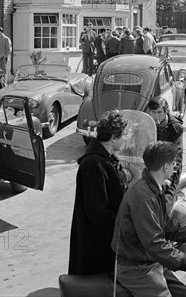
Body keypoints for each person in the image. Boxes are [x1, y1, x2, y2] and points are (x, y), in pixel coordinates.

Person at [111, 141, 186, 296]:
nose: (174, 168)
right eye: (173, 164)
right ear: (165, 167)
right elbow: (154, 242)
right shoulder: (143, 196)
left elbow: (165, 225)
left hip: (151, 262)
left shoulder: (155, 188)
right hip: (137, 269)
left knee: (184, 294)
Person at [68, 110, 129, 275]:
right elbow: (97, 211)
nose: (126, 139)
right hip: (97, 243)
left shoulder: (107, 157)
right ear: (113, 138)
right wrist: (121, 232)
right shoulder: (94, 165)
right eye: (124, 135)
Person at [146, 97, 183, 190]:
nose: (156, 116)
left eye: (159, 112)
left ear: (165, 111)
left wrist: (170, 179)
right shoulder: (145, 123)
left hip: (167, 167)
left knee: (167, 199)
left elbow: (176, 155)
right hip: (149, 166)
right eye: (153, 112)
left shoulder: (174, 127)